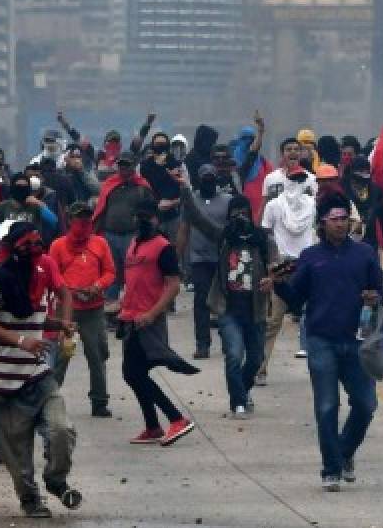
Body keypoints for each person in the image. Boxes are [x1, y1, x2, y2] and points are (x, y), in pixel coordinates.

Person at [265, 193, 383, 491]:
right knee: (327, 406)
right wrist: (279, 285)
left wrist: (375, 297)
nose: (341, 224)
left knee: (366, 404)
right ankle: (331, 468)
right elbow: (296, 298)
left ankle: (344, 452)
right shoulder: (310, 257)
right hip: (321, 340)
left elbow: (379, 289)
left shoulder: (365, 253)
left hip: (357, 340)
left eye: (345, 219)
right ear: (323, 223)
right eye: (335, 219)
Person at [0, 221, 81, 517]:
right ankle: (31, 500)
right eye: (28, 245)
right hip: (3, 382)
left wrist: (59, 324)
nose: (35, 251)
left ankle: (56, 480)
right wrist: (20, 340)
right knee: (18, 458)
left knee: (61, 430)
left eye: (38, 244)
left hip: (38, 375)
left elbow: (34, 318)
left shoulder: (38, 277)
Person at [181, 185, 276, 419]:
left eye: (244, 212)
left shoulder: (262, 238)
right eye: (235, 213)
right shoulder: (223, 236)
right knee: (234, 355)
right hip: (229, 309)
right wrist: (184, 189)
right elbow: (197, 218)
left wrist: (271, 278)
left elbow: (276, 263)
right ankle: (239, 403)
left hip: (256, 309)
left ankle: (242, 391)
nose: (240, 217)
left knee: (255, 359)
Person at [118, 200, 196, 447]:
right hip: (130, 319)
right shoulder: (133, 244)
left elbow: (173, 284)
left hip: (147, 321)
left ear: (156, 220)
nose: (142, 222)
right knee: (134, 373)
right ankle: (152, 426)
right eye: (138, 217)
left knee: (134, 373)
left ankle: (176, 418)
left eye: (147, 217)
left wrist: (152, 314)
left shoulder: (164, 247)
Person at [49, 202, 116, 417]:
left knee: (97, 356)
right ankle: (48, 399)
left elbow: (110, 272)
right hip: (67, 311)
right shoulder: (58, 246)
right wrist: (70, 292)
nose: (85, 223)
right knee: (61, 356)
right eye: (80, 219)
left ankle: (99, 401)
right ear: (70, 220)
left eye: (88, 219)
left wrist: (96, 286)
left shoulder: (100, 243)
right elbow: (53, 276)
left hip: (93, 309)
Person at [259, 166, 316, 380]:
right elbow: (266, 234)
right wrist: (272, 264)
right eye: (293, 178)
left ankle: (320, 368)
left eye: (301, 179)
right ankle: (260, 367)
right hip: (282, 268)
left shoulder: (312, 205)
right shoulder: (273, 205)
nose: (297, 183)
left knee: (313, 317)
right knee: (273, 321)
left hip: (307, 267)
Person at [176, 164, 232, 359]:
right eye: (204, 177)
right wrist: (178, 259)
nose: (208, 180)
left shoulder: (227, 200)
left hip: (223, 258)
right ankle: (202, 344)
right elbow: (183, 230)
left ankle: (228, 341)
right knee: (201, 301)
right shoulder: (190, 201)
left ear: (216, 178)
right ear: (198, 179)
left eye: (211, 176)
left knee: (225, 301)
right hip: (199, 259)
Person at [92, 152, 155, 307]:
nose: (123, 168)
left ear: (133, 166)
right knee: (111, 272)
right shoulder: (110, 184)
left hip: (132, 236)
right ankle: (110, 307)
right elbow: (101, 209)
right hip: (110, 235)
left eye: (127, 164)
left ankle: (132, 305)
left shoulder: (142, 187)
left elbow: (150, 211)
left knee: (133, 271)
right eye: (121, 164)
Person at [261, 138, 317, 207]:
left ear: (301, 154)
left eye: (296, 149)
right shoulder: (270, 178)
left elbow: (314, 205)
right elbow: (264, 205)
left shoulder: (311, 179)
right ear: (282, 154)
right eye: (289, 149)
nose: (293, 152)